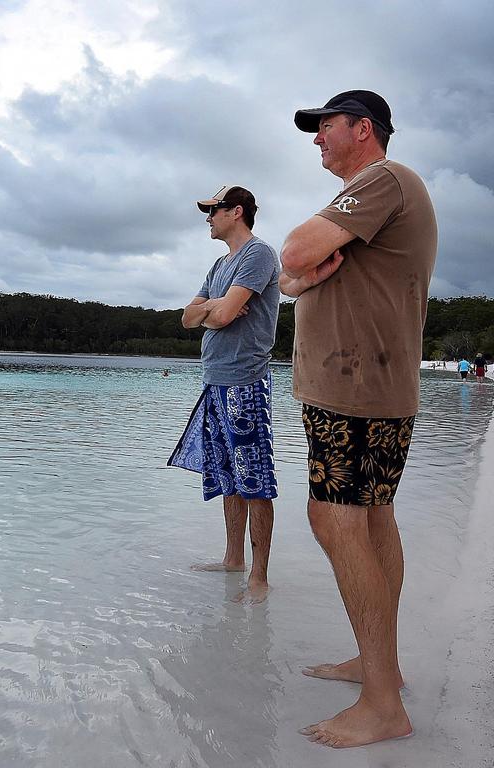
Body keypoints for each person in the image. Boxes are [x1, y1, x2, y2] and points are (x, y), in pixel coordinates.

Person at [280, 90, 437, 748]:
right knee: (368, 521)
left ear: (362, 130)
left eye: (325, 127)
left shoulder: (384, 180)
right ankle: (382, 671)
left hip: (358, 388)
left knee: (336, 519)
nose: (317, 138)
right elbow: (294, 279)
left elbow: (293, 251)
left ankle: (381, 705)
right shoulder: (372, 193)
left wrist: (302, 266)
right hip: (361, 386)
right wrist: (304, 274)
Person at [168, 185, 281, 604]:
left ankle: (260, 578)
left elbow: (227, 315)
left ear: (237, 212)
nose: (208, 217)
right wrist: (211, 309)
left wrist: (214, 311)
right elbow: (186, 318)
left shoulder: (259, 254)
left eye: (213, 210)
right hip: (214, 379)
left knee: (255, 480)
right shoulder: (219, 264)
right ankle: (234, 560)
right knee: (229, 477)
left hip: (246, 379)